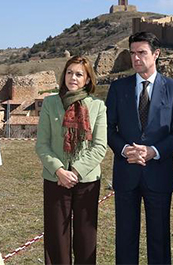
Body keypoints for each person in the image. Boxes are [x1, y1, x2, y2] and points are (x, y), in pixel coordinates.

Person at [105, 31, 173, 264]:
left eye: (142, 52)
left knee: (159, 240)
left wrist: (154, 151)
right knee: (125, 238)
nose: (136, 58)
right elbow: (109, 128)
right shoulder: (118, 88)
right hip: (126, 173)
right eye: (132, 53)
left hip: (159, 174)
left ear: (157, 54)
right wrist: (124, 150)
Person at [36, 55, 107, 265]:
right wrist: (59, 170)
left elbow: (99, 146)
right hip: (55, 179)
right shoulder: (50, 103)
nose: (73, 78)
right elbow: (42, 144)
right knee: (56, 237)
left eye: (79, 74)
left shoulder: (97, 106)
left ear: (87, 79)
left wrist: (75, 172)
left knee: (85, 239)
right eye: (69, 72)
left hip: (86, 181)